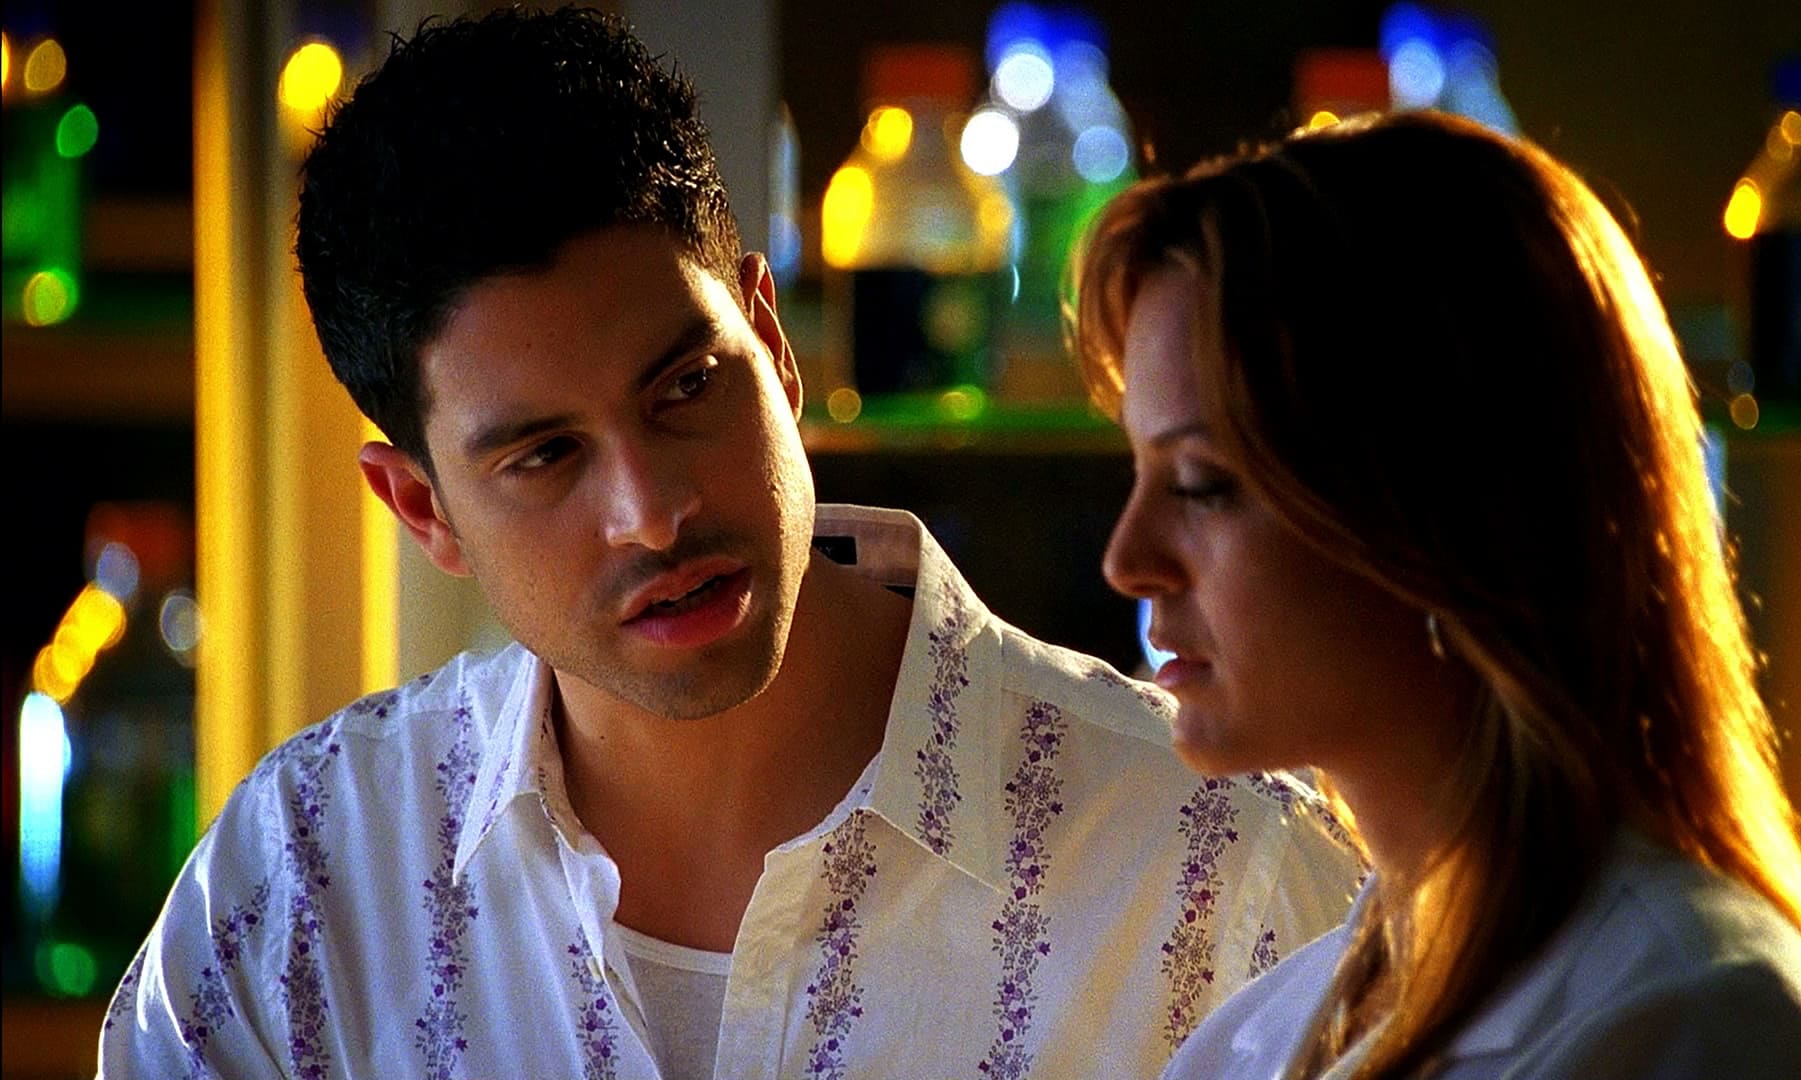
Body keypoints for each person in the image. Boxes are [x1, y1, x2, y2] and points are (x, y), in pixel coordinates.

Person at [96, 8, 1361, 1079]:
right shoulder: (304, 881)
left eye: (687, 387)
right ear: (422, 509)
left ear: (773, 340)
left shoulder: (1217, 870)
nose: (653, 511)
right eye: (546, 457)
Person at [1073, 110, 1801, 1080]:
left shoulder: (1699, 1026)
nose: (1127, 559)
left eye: (1203, 483)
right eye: (1139, 472)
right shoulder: (1259, 1032)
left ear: (1442, 514)